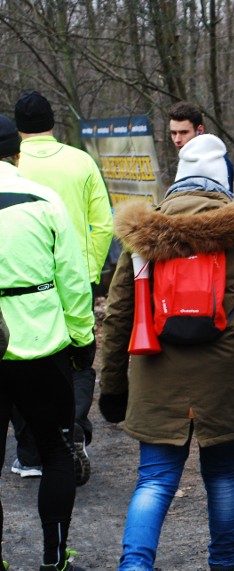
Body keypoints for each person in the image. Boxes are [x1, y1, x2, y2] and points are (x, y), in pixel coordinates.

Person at [99, 134, 234, 571]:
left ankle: (134, 567)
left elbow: (118, 316)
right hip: (223, 378)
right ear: (222, 177)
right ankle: (223, 565)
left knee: (153, 481)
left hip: (157, 375)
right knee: (224, 476)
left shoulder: (142, 233)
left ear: (178, 176)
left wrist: (112, 386)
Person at [0, 113, 93, 570]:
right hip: (40, 346)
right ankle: (54, 559)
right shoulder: (43, 198)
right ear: (16, 153)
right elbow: (73, 279)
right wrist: (83, 337)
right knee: (56, 452)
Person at [13, 89, 113, 486]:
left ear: (18, 131)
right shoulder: (81, 161)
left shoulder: (13, 166)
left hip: (24, 281)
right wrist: (88, 273)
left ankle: (30, 453)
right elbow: (103, 223)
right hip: (76, 278)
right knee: (78, 357)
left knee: (23, 357)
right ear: (53, 123)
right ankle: (72, 428)